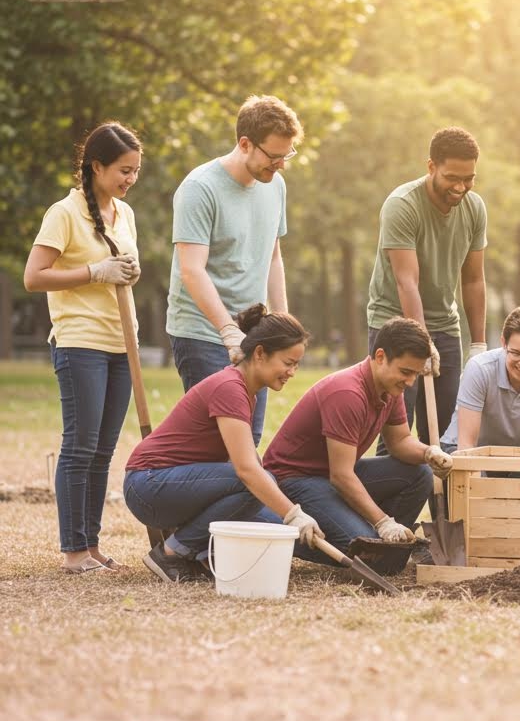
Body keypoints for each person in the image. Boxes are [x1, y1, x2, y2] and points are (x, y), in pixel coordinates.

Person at [124, 306, 323, 584]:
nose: (292, 372)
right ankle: (171, 552)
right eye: (288, 362)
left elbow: (249, 466)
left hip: (170, 484)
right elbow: (246, 471)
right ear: (260, 353)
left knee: (268, 508)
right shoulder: (230, 388)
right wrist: (294, 514)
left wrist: (286, 516)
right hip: (149, 485)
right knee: (256, 482)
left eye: (296, 364)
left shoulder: (244, 391)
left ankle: (201, 552)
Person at [24, 122, 143, 574]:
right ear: (97, 166)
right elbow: (34, 277)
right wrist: (95, 272)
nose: (130, 179)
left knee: (103, 451)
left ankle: (91, 546)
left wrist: (126, 272)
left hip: (121, 342)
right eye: (123, 170)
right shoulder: (65, 212)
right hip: (80, 342)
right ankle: (74, 551)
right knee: (80, 446)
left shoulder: (124, 214)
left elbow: (123, 270)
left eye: (135, 171)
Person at [166, 95, 302, 445]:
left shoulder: (275, 186)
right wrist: (227, 330)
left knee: (249, 438)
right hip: (202, 332)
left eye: (286, 156)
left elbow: (272, 257)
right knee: (217, 443)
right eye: (274, 156)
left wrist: (282, 319)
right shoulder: (200, 189)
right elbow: (191, 270)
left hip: (253, 332)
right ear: (245, 144)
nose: (281, 165)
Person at [263, 317, 451, 552]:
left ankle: (390, 548)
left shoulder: (390, 388)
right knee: (366, 547)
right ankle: (271, 530)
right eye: (405, 372)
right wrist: (383, 522)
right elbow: (341, 476)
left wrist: (429, 453)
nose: (411, 381)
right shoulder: (347, 393)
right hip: (294, 481)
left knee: (420, 473)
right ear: (380, 357)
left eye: (415, 373)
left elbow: (399, 441)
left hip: (330, 475)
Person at [366, 126, 487, 453]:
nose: (461, 187)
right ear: (431, 166)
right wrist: (422, 344)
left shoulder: (474, 209)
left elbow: (473, 279)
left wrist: (478, 344)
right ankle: (388, 505)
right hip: (395, 326)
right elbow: (408, 281)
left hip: (445, 328)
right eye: (452, 177)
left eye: (469, 178)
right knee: (396, 431)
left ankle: (446, 506)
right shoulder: (402, 205)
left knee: (446, 434)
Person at [440, 306, 520, 477]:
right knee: (480, 492)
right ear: (503, 343)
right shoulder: (479, 368)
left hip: (516, 452)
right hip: (464, 450)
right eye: (515, 353)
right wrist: (483, 495)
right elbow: (467, 444)